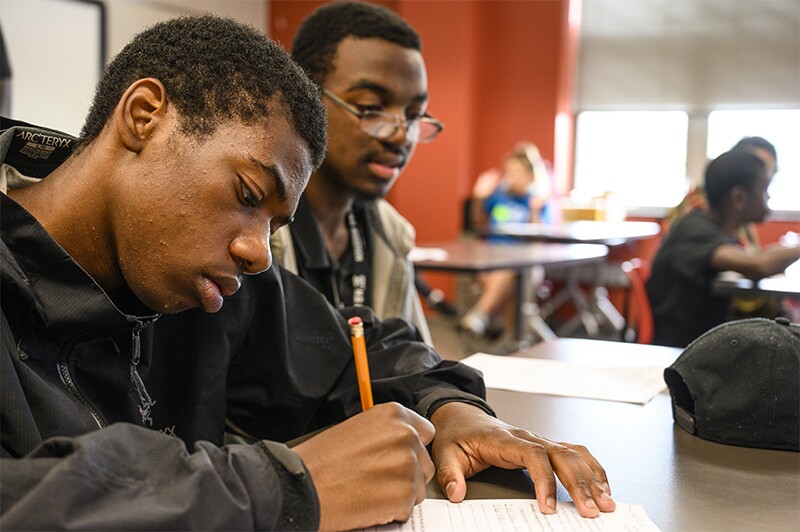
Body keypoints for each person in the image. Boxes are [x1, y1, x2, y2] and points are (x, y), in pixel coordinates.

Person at [0, 13, 615, 532]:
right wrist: (287, 488)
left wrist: (454, 410)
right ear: (144, 116)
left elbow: (357, 343)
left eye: (275, 224)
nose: (260, 253)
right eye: (246, 192)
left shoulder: (198, 280)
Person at [270, 1, 439, 344]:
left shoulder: (389, 234)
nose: (400, 135)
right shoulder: (251, 233)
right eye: (371, 108)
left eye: (414, 113)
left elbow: (418, 361)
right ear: (306, 100)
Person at [646, 149, 800, 347]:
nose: (768, 197)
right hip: (683, 349)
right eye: (764, 190)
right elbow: (756, 265)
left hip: (700, 343)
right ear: (738, 198)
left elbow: (759, 257)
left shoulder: (718, 230)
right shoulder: (695, 230)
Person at [459, 142, 553, 339]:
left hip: (525, 262)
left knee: (513, 271)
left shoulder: (537, 201)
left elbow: (539, 241)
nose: (510, 177)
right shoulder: (499, 197)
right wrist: (478, 198)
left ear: (530, 175)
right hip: (492, 259)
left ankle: (481, 316)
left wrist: (535, 210)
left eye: (516, 172)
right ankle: (512, 341)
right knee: (508, 276)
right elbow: (478, 223)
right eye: (508, 171)